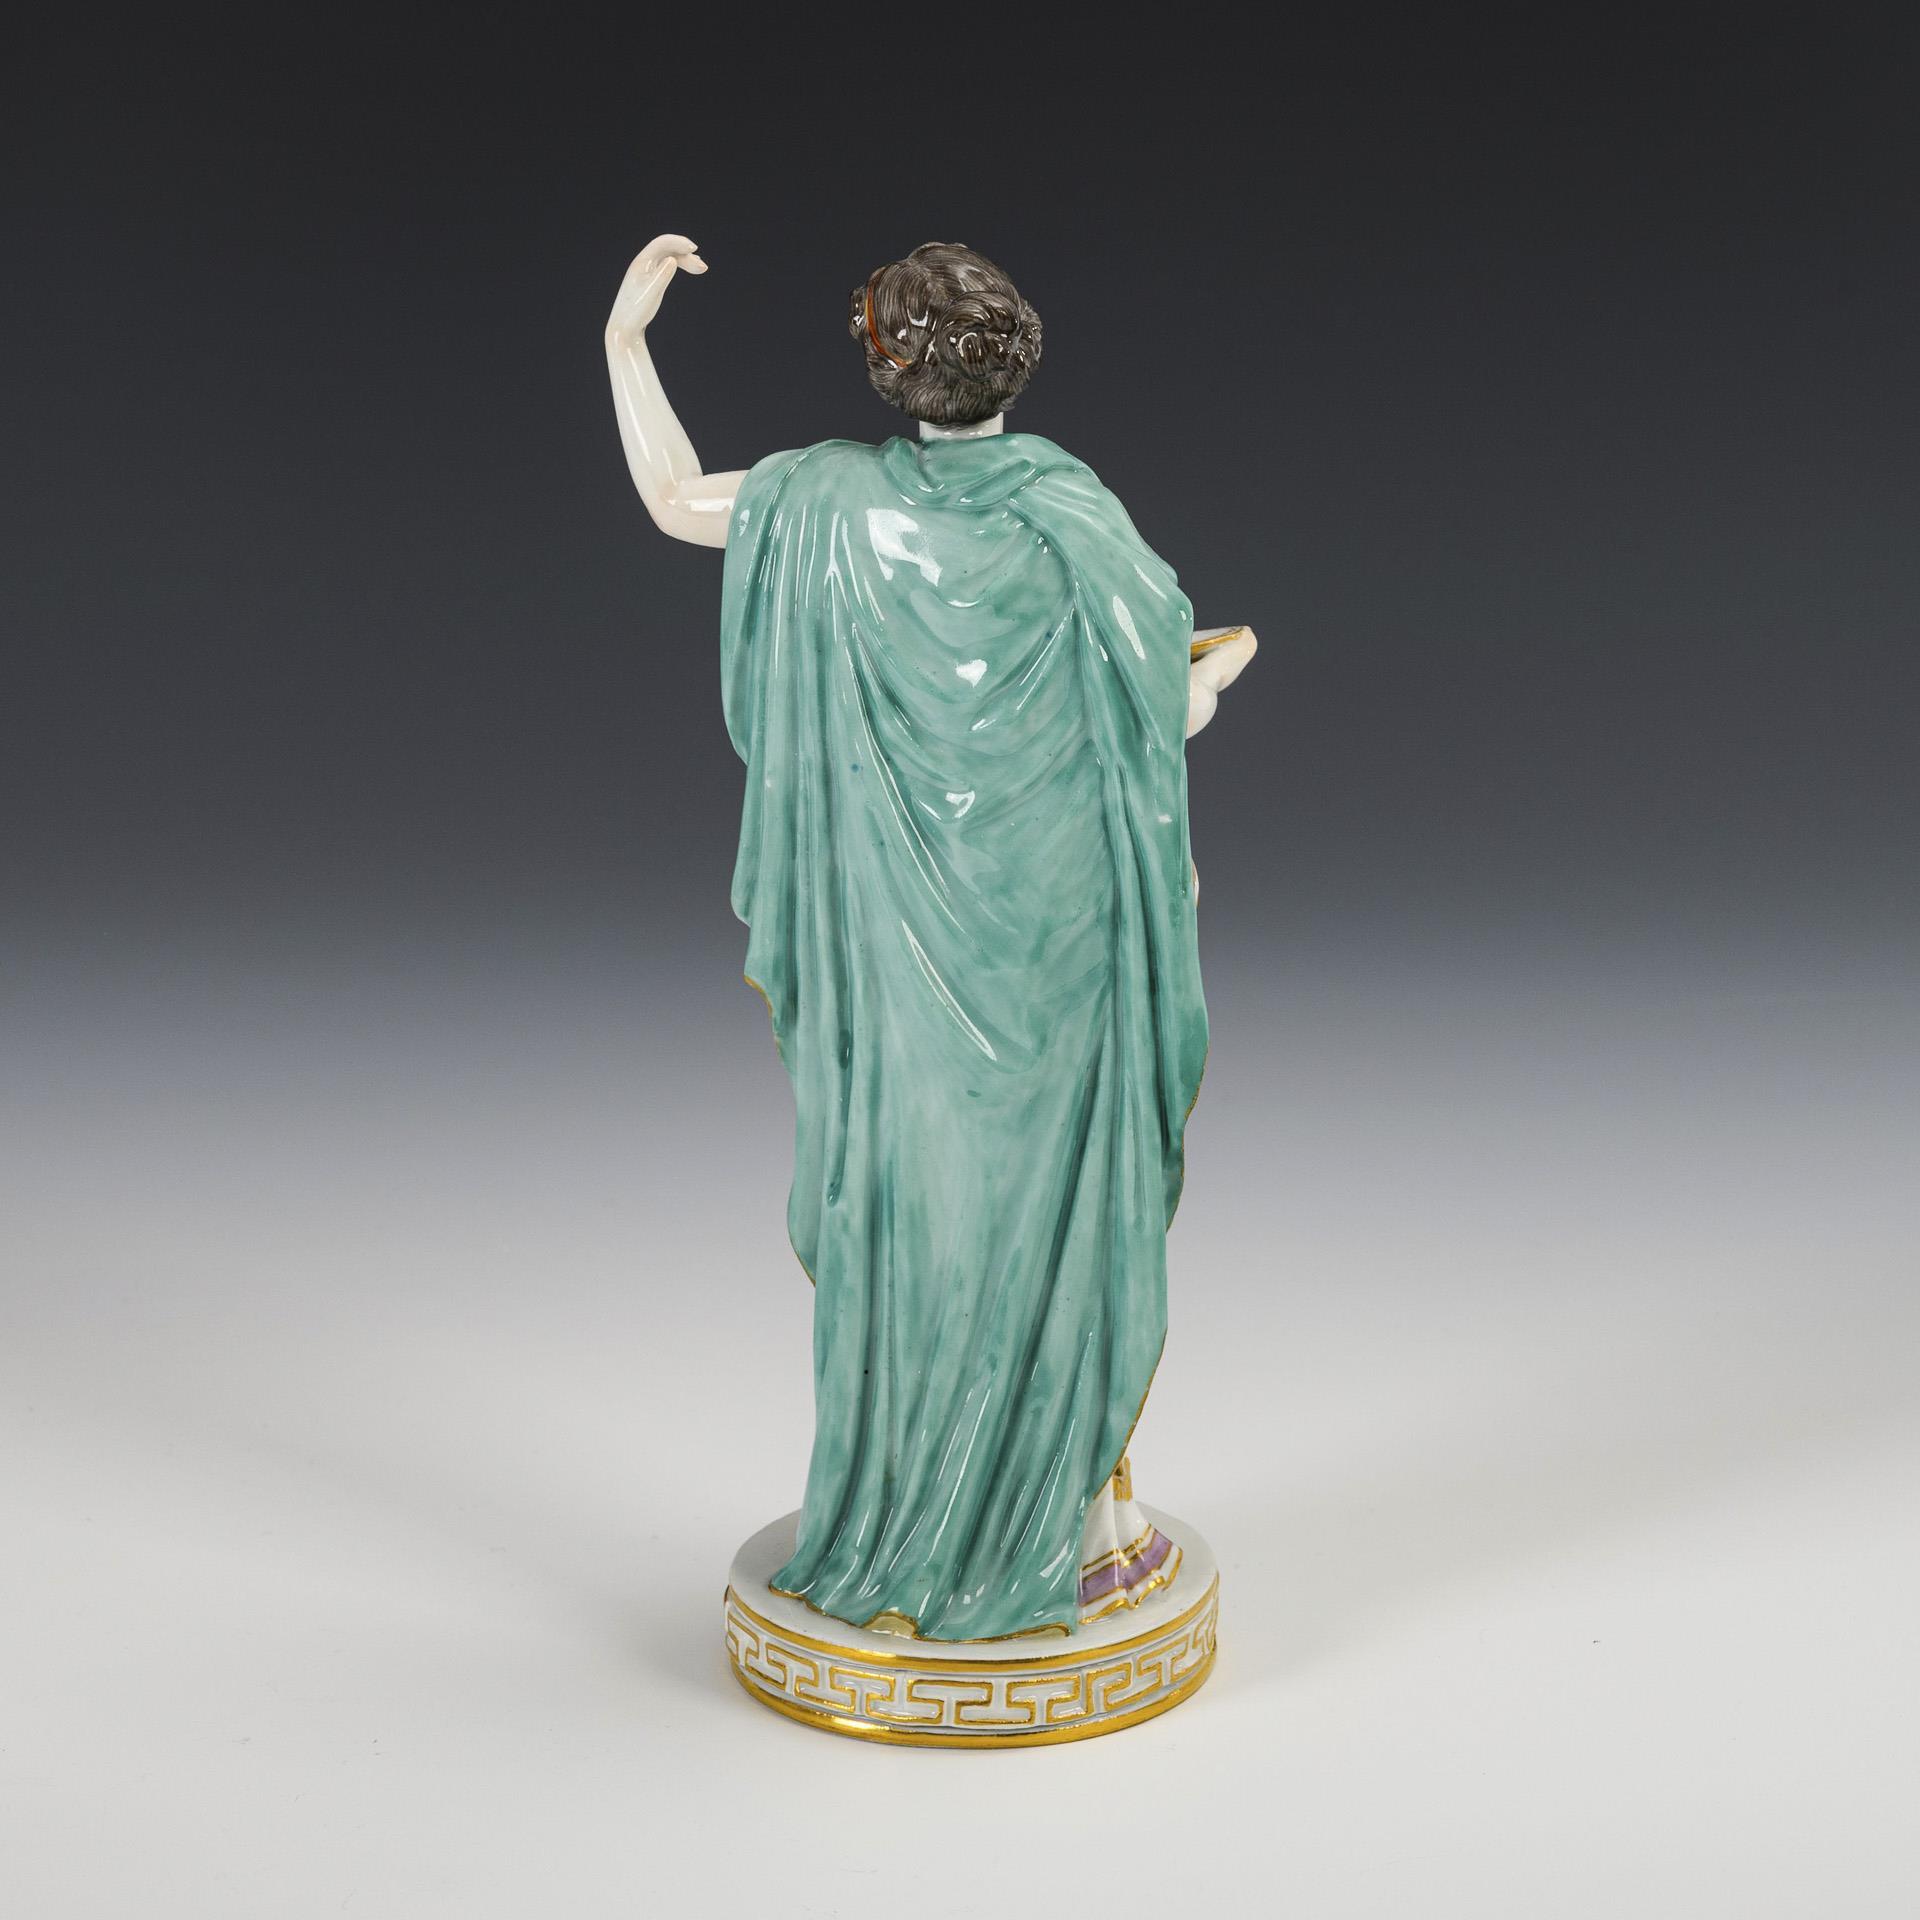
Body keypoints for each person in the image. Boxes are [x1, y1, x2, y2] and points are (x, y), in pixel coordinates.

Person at [606, 236, 1257, 1640]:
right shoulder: (1068, 509)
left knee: (921, 1209)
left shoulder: (824, 504)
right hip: (1062, 935)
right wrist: (1218, 675)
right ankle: (1075, 1530)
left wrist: (626, 343)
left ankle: (908, 1504)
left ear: (885, 366)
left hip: (898, 948)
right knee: (1054, 1215)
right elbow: (1164, 700)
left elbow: (672, 497)